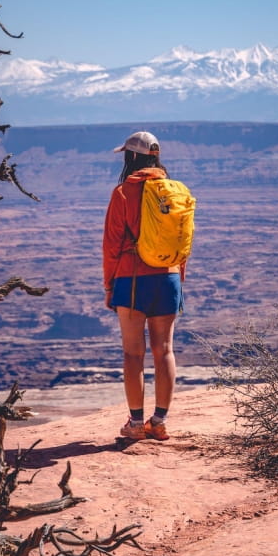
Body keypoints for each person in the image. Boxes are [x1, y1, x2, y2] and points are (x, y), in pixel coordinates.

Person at [103, 130, 186, 441]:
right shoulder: (174, 191)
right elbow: (183, 241)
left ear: (130, 157)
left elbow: (111, 245)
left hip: (132, 278)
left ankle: (136, 424)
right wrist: (178, 277)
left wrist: (110, 286)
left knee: (133, 354)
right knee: (164, 350)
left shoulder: (123, 193)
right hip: (169, 276)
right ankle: (160, 421)